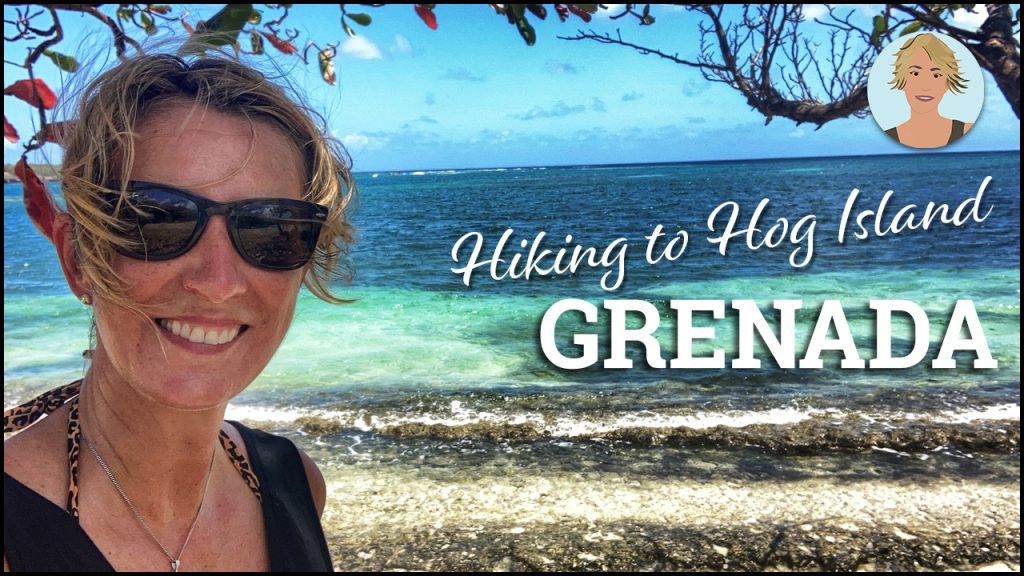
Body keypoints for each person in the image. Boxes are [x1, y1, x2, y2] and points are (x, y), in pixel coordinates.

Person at [4, 51, 356, 571]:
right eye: (157, 220)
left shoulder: (294, 484)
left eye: (271, 229)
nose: (217, 282)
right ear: (77, 257)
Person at [884, 33, 973, 148]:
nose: (925, 86)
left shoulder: (965, 129)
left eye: (936, 75)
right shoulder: (890, 134)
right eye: (915, 73)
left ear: (947, 84)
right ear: (902, 80)